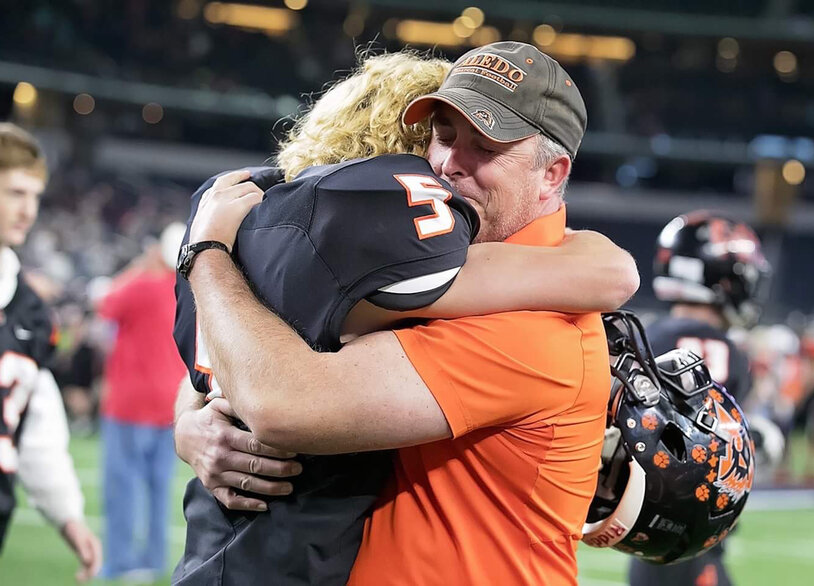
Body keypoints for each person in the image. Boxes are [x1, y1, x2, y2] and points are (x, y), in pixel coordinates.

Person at [182, 41, 619, 585]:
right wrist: (193, 426)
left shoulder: (532, 323)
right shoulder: (437, 262)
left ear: (552, 174)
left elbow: (285, 402)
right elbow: (233, 354)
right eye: (442, 136)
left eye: (484, 147)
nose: (448, 165)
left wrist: (204, 256)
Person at [628, 211, 771, 586]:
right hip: (693, 525)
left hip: (645, 522)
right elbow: (713, 440)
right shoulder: (730, 350)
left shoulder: (645, 337)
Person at [0, 122, 102, 581]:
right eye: (15, 193)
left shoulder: (30, 311)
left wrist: (67, 516)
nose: (28, 211)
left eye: (35, 196)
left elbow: (36, 420)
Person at [94, 222, 187, 580]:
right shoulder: (184, 290)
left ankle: (119, 562)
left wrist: (138, 265)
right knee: (159, 489)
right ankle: (154, 559)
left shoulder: (142, 285)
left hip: (130, 404)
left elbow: (104, 301)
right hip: (168, 405)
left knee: (122, 488)